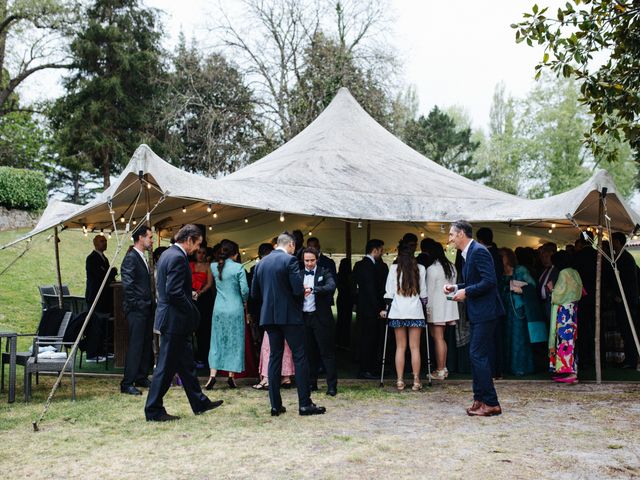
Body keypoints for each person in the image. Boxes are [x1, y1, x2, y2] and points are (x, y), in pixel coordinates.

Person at [144, 224, 223, 422]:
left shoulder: (167, 255)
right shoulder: (178, 258)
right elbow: (174, 292)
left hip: (173, 321)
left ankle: (199, 402)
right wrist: (193, 310)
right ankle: (153, 409)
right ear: (189, 240)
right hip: (174, 321)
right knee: (165, 368)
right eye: (198, 244)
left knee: (186, 365)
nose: (198, 249)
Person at [251, 231, 325, 416]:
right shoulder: (290, 261)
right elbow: (296, 290)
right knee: (300, 356)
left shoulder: (261, 263)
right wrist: (303, 291)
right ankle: (304, 404)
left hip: (268, 316)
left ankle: (275, 405)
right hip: (290, 317)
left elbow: (254, 294)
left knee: (275, 357)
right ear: (291, 245)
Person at [444, 220, 504, 417]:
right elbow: (475, 281)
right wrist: (456, 288)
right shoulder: (468, 253)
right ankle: (479, 400)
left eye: (452, 235)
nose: (450, 239)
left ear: (461, 234)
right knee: (475, 355)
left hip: (486, 312)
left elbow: (489, 281)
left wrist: (466, 292)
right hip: (479, 312)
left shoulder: (478, 251)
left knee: (478, 355)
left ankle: (491, 403)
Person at [382, 241, 428, 391]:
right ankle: (416, 381)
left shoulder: (393, 268)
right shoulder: (420, 268)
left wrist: (386, 308)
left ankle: (400, 381)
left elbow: (389, 292)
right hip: (415, 311)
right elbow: (424, 294)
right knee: (415, 348)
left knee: (400, 347)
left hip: (398, 311)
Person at [206, 239, 249, 389]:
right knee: (234, 341)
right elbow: (244, 290)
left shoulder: (213, 266)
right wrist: (244, 301)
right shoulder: (239, 268)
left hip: (218, 308)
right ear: (235, 254)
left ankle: (212, 375)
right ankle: (231, 376)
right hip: (235, 307)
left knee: (216, 341)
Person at [120, 225, 154, 395]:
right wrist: (138, 304)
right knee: (136, 345)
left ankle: (141, 376)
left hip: (146, 308)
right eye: (150, 237)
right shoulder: (131, 257)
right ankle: (127, 383)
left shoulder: (141, 257)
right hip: (136, 309)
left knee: (146, 344)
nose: (152, 240)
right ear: (141, 237)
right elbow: (128, 285)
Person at [302, 247, 338, 396]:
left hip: (321, 318)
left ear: (317, 259)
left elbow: (331, 286)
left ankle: (331, 386)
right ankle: (312, 383)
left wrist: (313, 289)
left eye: (312, 260)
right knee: (309, 353)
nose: (309, 263)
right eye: (307, 260)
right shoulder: (298, 273)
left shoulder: (324, 272)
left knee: (326, 352)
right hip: (304, 318)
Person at [498, 248, 540, 376]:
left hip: (518, 309)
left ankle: (521, 367)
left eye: (503, 256)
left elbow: (532, 286)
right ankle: (507, 367)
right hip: (504, 308)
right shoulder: (499, 272)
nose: (501, 258)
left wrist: (522, 290)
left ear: (509, 257)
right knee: (505, 337)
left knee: (519, 338)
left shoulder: (520, 270)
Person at [422, 238, 459, 380]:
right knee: (441, 338)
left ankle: (440, 370)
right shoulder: (451, 267)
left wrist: (427, 310)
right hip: (449, 305)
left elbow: (429, 292)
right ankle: (443, 368)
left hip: (436, 307)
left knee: (437, 338)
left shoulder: (432, 269)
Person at [352, 239, 388, 379]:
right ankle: (366, 369)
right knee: (369, 340)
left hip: (363, 308)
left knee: (367, 339)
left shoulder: (359, 265)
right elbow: (370, 290)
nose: (382, 253)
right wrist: (378, 308)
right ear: (375, 250)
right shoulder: (368, 266)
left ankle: (369, 368)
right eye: (381, 250)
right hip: (370, 310)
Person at [548, 250, 583, 384]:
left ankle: (568, 371)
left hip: (564, 311)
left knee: (564, 340)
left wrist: (552, 290)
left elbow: (560, 294)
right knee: (571, 340)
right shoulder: (575, 272)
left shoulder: (564, 273)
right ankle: (571, 369)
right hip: (573, 310)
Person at [84, 234, 118, 362]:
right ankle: (92, 353)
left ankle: (103, 350)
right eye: (102, 241)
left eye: (105, 241)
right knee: (95, 325)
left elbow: (107, 275)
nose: (105, 243)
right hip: (95, 297)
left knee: (103, 326)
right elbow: (100, 276)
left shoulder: (104, 258)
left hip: (104, 298)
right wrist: (111, 272)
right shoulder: (91, 259)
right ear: (95, 243)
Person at [611, 232, 639, 370]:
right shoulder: (622, 257)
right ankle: (629, 358)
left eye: (613, 241)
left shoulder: (625, 258)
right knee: (625, 331)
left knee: (629, 331)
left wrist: (622, 297)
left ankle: (632, 360)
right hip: (625, 300)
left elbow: (629, 281)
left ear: (618, 242)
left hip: (627, 301)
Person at [191, 246, 214, 369]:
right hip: (191, 296)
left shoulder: (208, 266)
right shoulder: (190, 265)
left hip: (203, 298)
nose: (201, 255)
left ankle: (202, 356)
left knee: (203, 328)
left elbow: (210, 283)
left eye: (203, 253)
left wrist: (200, 292)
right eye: (199, 252)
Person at [335, 258, 353, 349]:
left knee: (340, 320)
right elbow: (351, 288)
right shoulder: (349, 276)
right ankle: (345, 341)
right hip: (347, 299)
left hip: (341, 298)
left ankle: (338, 340)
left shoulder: (338, 275)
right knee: (346, 321)